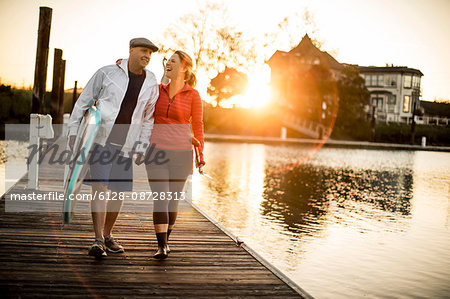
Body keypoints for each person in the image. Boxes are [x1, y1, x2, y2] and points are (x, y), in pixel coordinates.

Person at [68, 38, 159, 258]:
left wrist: (142, 145)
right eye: (143, 51)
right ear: (131, 50)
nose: (147, 56)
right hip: (100, 140)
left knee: (118, 192)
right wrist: (73, 132)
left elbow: (148, 118)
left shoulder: (152, 81)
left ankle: (108, 235)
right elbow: (83, 102)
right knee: (100, 188)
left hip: (127, 145)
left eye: (150, 53)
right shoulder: (107, 72)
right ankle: (98, 240)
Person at [145, 50, 205, 259]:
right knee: (160, 197)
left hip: (181, 154)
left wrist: (201, 155)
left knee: (173, 200)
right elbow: (136, 86)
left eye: (173, 61)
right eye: (167, 60)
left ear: (184, 67)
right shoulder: (156, 90)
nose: (167, 63)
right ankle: (161, 246)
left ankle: (167, 239)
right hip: (156, 152)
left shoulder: (193, 95)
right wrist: (123, 66)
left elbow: (197, 125)